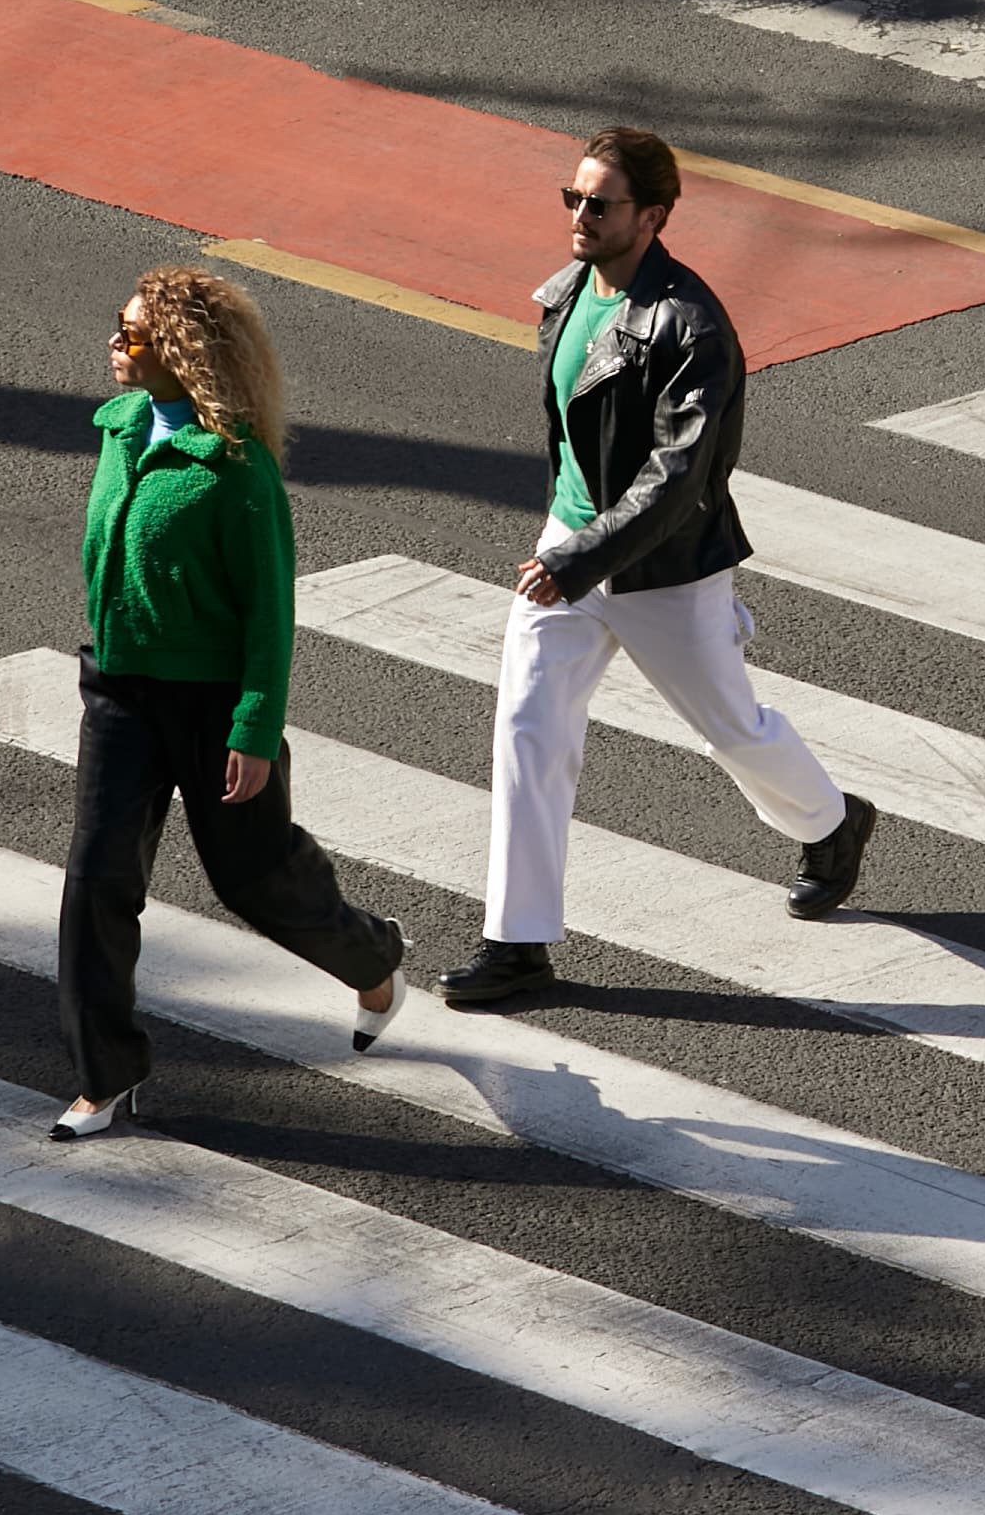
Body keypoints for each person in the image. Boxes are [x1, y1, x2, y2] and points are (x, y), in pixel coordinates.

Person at [444, 126, 874, 1008]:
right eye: (572, 198)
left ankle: (833, 823)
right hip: (567, 552)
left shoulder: (691, 326)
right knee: (528, 733)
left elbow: (678, 478)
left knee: (733, 728)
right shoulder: (568, 294)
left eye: (598, 204)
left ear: (653, 216)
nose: (578, 216)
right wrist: (566, 550)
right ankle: (518, 944)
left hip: (662, 569)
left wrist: (583, 559)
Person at [55, 267, 403, 1136]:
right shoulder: (120, 428)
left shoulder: (239, 473)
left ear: (179, 351)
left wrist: (253, 726)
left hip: (212, 706)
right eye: (119, 325)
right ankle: (106, 1074)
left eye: (132, 334)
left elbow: (269, 617)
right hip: (120, 692)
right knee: (97, 882)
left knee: (255, 882)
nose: (115, 342)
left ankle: (373, 954)